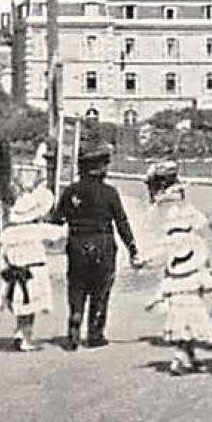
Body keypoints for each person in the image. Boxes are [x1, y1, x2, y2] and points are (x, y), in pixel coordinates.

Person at [52, 144, 141, 350]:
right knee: (101, 289)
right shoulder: (109, 192)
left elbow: (56, 219)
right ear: (101, 168)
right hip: (103, 243)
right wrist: (132, 249)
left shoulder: (70, 191)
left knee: (77, 284)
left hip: (77, 242)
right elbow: (121, 222)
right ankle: (95, 333)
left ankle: (75, 319)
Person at [142, 162, 212, 374]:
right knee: (189, 312)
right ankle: (180, 357)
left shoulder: (161, 211)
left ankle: (188, 355)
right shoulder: (184, 211)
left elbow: (159, 245)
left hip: (177, 267)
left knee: (180, 313)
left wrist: (145, 260)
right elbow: (202, 225)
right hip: (191, 265)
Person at [0, 188, 66, 351]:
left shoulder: (8, 233)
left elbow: (3, 255)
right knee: (31, 306)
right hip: (33, 272)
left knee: (21, 305)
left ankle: (20, 331)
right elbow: (61, 233)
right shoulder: (37, 230)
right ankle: (25, 337)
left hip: (14, 271)